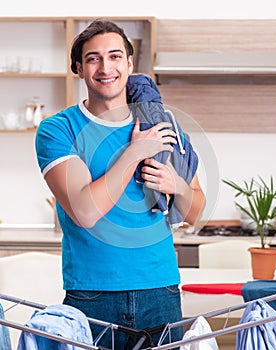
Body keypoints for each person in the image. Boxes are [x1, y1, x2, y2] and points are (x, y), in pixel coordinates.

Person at [35, 19, 206, 349]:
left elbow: (195, 211)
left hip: (161, 291)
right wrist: (134, 152)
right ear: (79, 68)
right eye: (93, 58)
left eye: (115, 56)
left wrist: (177, 186)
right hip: (92, 294)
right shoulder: (59, 129)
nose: (105, 67)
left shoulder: (162, 123)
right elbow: (85, 211)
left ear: (129, 63)